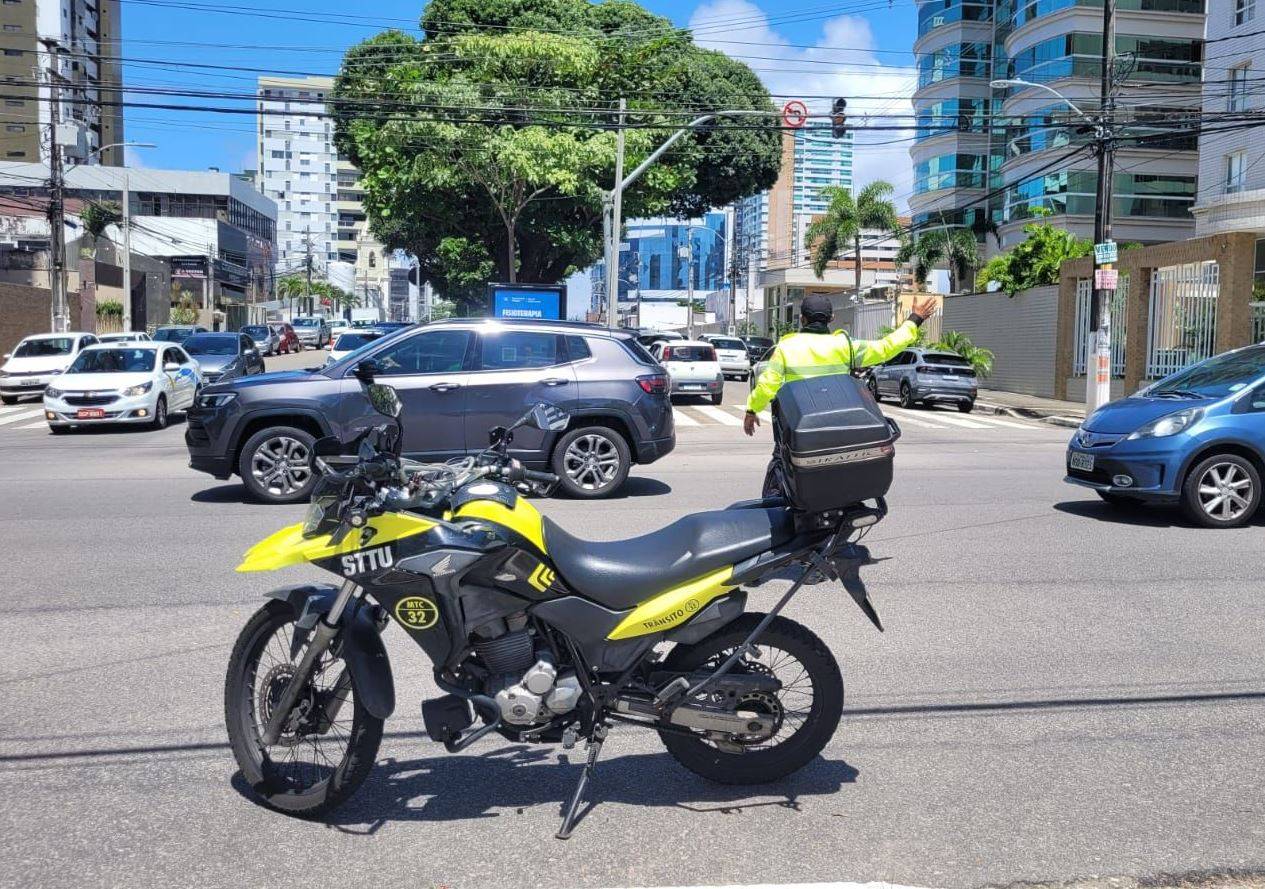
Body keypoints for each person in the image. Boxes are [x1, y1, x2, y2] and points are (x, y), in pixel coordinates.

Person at [743, 293, 938, 494]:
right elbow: (886, 348)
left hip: (799, 429)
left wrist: (752, 410)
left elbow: (768, 384)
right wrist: (915, 319)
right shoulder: (846, 346)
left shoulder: (787, 347)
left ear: (802, 319)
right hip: (840, 427)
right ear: (831, 319)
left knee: (780, 463)